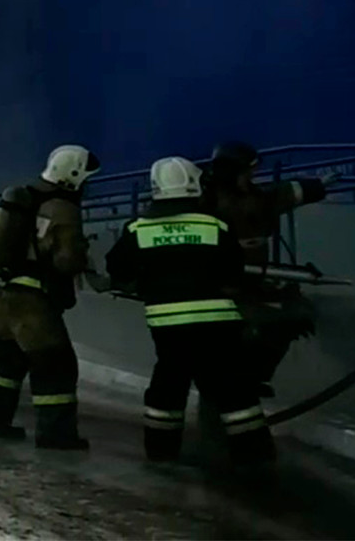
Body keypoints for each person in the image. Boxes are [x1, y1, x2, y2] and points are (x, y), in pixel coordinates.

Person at [105, 156, 276, 466]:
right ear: (194, 185)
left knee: (169, 385)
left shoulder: (138, 229)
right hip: (218, 323)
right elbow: (235, 271)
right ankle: (254, 455)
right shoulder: (214, 224)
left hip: (169, 325)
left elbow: (117, 268)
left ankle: (161, 453)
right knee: (232, 388)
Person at [0, 144, 100, 449]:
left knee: (5, 362)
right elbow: (66, 260)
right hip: (34, 304)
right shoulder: (63, 209)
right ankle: (56, 435)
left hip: (4, 296)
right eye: (85, 178)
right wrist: (83, 254)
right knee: (55, 364)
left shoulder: (21, 199)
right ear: (72, 176)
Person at [203, 141, 329, 397]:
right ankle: (240, 381)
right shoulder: (206, 205)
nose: (252, 176)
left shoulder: (253, 197)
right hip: (222, 291)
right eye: (246, 171)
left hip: (253, 283)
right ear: (230, 172)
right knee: (256, 327)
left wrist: (319, 185)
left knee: (298, 315)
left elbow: (278, 196)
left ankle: (255, 376)